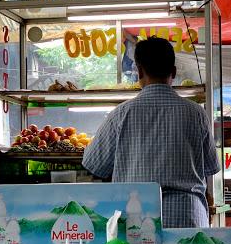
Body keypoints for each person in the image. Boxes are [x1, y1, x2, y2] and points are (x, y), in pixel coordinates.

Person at [82, 37, 220, 228]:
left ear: (139, 72)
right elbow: (211, 167)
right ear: (173, 72)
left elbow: (94, 164)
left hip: (135, 221)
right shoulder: (196, 113)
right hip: (187, 218)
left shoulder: (120, 114)